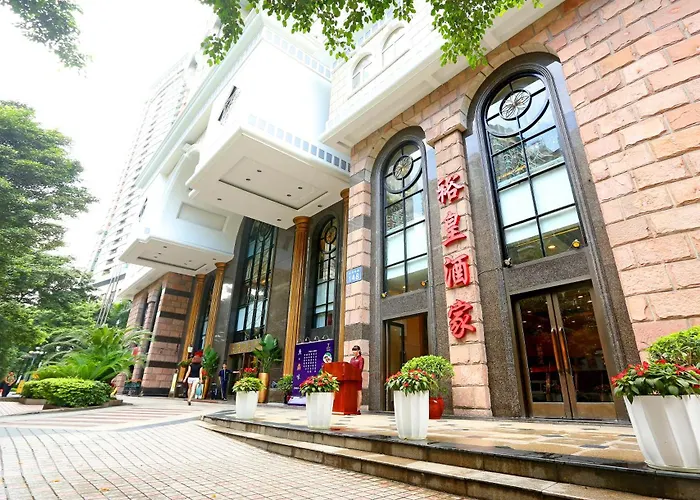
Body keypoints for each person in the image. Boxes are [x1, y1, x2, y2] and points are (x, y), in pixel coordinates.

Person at [349, 346, 364, 414]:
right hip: (351, 378)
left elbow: (360, 369)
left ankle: (358, 409)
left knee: (358, 392)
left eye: (355, 350)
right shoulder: (352, 359)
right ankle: (352, 408)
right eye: (353, 350)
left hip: (358, 378)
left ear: (359, 351)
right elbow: (349, 367)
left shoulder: (361, 359)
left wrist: (355, 373)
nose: (354, 352)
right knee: (352, 392)